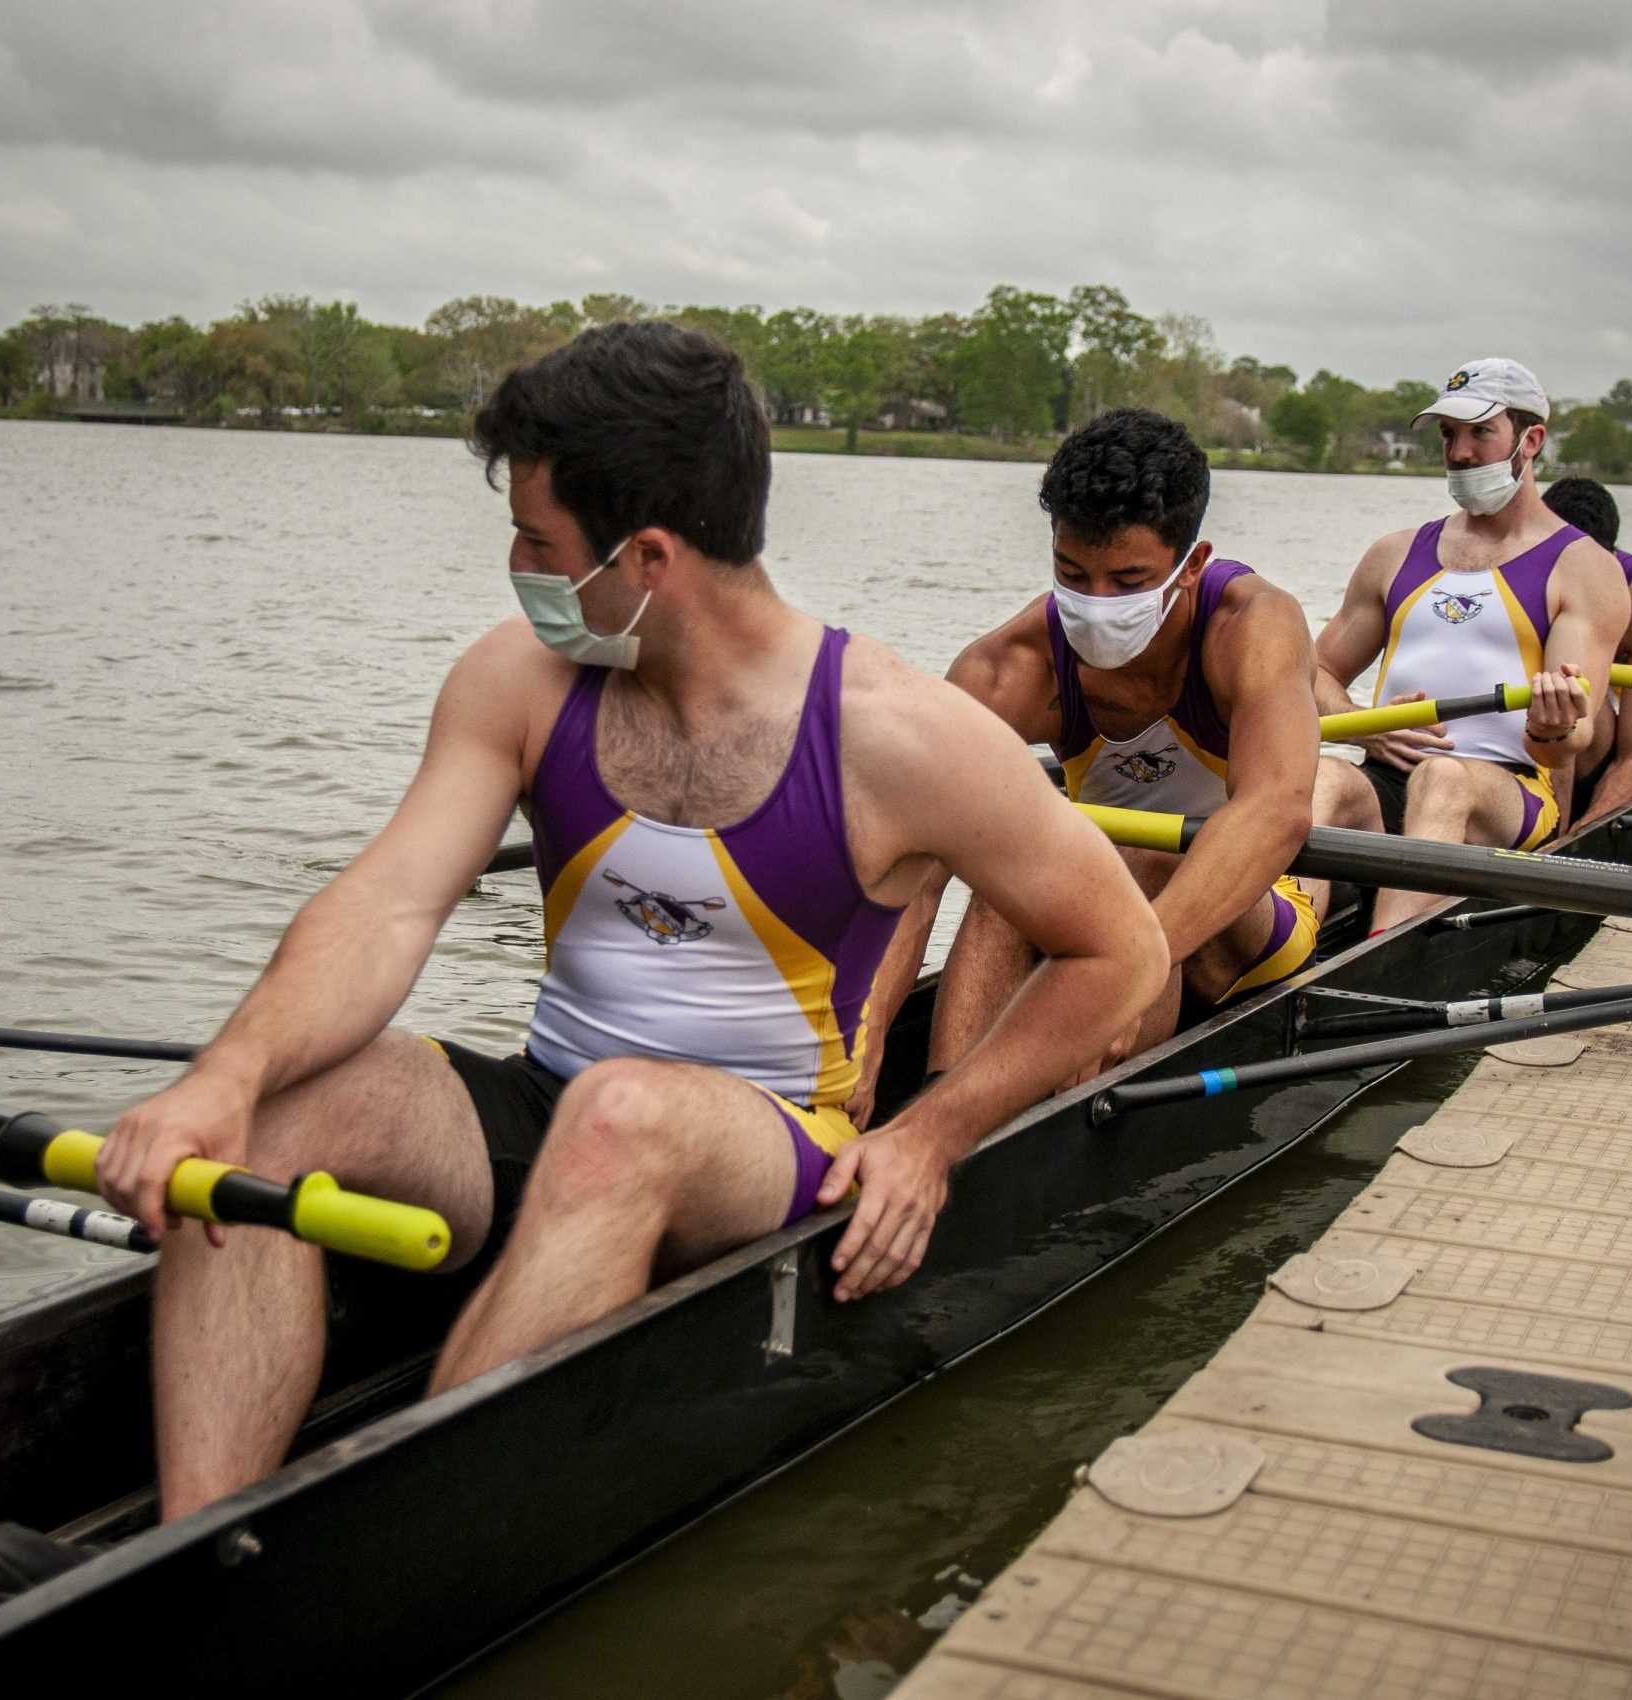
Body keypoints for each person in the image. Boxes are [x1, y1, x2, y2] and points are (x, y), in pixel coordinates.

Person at [94, 323, 1167, 1522]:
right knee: (269, 1110)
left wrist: (932, 1134)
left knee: (621, 1117)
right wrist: (223, 1075)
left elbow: (1121, 950)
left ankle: (380, 1535)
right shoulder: (516, 680)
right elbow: (386, 902)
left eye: (539, 541)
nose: (516, 561)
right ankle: (198, 1552)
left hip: (770, 1146)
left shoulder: (898, 732)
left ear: (646, 555)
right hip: (557, 1101)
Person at [850, 408, 1376, 1121]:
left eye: (1128, 582)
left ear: (1192, 564)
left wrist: (1131, 965)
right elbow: (915, 872)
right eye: (1073, 575)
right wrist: (867, 1031)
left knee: (1137, 848)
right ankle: (939, 1106)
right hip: (1109, 924)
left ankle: (1072, 1116)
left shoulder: (1251, 626)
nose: (1095, 607)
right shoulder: (1006, 666)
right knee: (1004, 866)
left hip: (1248, 927)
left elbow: (1275, 812)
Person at [1311, 358, 1629, 931]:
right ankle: (1278, 956)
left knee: (1445, 778)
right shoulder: (1394, 553)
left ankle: (1381, 958)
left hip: (1511, 791)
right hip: (1389, 777)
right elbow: (1312, 672)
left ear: (1530, 441)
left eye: (1481, 432)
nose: (1459, 453)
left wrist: (1552, 724)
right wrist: (1361, 722)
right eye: (1448, 434)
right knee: (1324, 777)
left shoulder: (1585, 569)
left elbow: (1567, 746)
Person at [1540, 477, 1632, 821]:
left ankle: (1559, 830)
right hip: (1525, 729)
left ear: (1609, 557)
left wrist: (1580, 837)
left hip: (1594, 743)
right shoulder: (1518, 563)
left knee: (1575, 689)